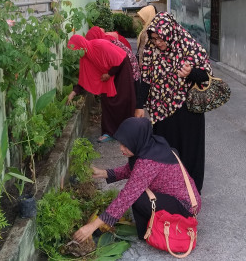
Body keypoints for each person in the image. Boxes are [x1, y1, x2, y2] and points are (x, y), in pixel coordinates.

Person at [72, 117, 201, 242]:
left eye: (126, 145)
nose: (121, 148)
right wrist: (103, 173)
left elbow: (126, 196)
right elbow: (133, 170)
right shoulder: (152, 146)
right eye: (121, 143)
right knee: (138, 193)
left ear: (137, 141)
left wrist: (93, 226)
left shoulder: (148, 162)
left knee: (138, 199)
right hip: (186, 198)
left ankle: (152, 231)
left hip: (185, 206)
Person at [135, 12, 211, 193]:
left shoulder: (190, 47)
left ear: (170, 33)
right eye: (154, 39)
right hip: (161, 112)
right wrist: (139, 105)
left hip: (188, 112)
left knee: (189, 152)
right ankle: (167, 191)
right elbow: (145, 79)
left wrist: (190, 73)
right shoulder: (150, 51)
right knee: (165, 151)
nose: (158, 43)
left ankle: (191, 194)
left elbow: (207, 77)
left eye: (161, 38)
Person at [66, 34, 135, 143]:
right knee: (107, 101)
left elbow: (120, 59)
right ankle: (109, 132)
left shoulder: (99, 45)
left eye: (76, 50)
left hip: (121, 69)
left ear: (81, 46)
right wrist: (73, 93)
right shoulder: (85, 57)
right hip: (108, 74)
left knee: (123, 99)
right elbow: (84, 78)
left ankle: (127, 131)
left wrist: (109, 74)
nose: (76, 53)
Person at [85, 26, 140, 92]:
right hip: (127, 64)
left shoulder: (105, 43)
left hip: (129, 67)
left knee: (125, 93)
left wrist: (109, 74)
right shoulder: (105, 39)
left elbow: (118, 61)